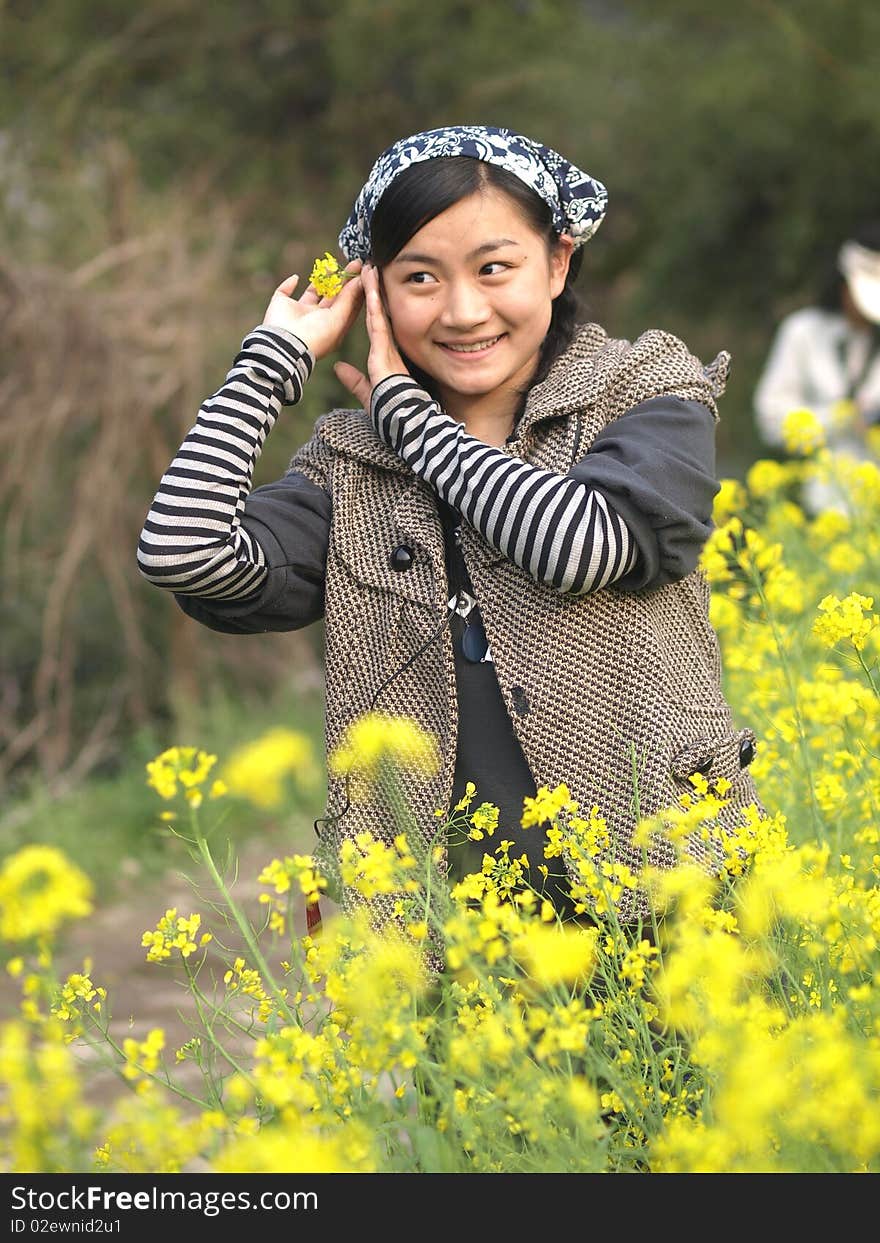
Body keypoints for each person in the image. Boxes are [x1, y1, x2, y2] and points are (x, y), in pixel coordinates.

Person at [137, 125, 763, 970]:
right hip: (456, 942)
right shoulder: (353, 465)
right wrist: (273, 359)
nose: (464, 310)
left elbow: (583, 544)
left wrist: (410, 420)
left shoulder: (645, 390)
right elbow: (183, 550)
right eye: (421, 278)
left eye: (494, 267)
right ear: (377, 296)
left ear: (559, 262)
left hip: (670, 907)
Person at [753, 222, 880, 515]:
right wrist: (841, 418)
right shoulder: (803, 332)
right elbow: (770, 415)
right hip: (820, 507)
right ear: (843, 283)